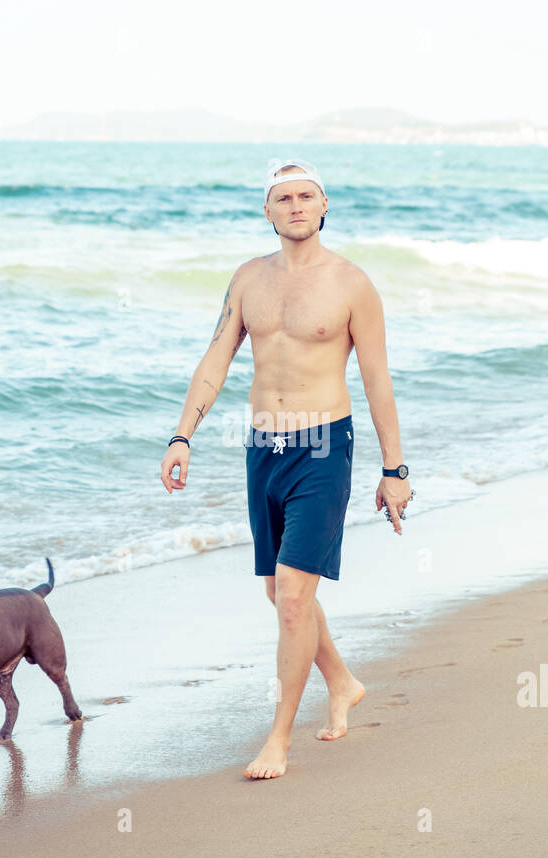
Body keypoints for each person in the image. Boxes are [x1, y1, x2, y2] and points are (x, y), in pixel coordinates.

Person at [159, 159, 412, 780]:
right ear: (266, 211)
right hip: (261, 448)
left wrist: (395, 467)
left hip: (325, 446)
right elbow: (216, 358)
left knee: (294, 599)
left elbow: (378, 379)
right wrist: (181, 436)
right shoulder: (248, 280)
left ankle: (278, 740)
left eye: (306, 196)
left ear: (324, 206)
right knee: (279, 590)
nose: (296, 206)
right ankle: (343, 681)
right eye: (283, 198)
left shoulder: (353, 284)